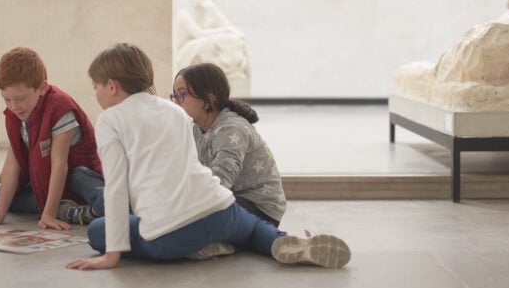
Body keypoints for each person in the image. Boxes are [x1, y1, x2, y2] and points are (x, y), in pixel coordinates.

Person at [65, 43, 350, 270]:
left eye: (96, 86)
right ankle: (284, 242)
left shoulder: (110, 120)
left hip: (173, 232)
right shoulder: (175, 111)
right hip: (220, 210)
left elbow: (115, 188)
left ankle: (197, 249)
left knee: (98, 231)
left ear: (112, 85)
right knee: (251, 229)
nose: (96, 93)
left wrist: (112, 255)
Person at [0, 47, 104, 231]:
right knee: (3, 198)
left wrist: (48, 215)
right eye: (7, 100)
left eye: (20, 98)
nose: (14, 106)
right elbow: (12, 165)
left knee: (85, 183)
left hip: (77, 180)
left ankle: (80, 208)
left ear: (42, 88)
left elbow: (60, 164)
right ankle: (69, 211)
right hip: (49, 187)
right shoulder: (16, 114)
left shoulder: (61, 108)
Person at [173, 63, 286, 226]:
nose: (177, 101)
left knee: (185, 217)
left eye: (182, 95)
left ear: (209, 99)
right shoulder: (196, 129)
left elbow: (221, 182)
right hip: (228, 199)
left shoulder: (231, 129)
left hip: (260, 210)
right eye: (174, 95)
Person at [175, 0, 250, 81]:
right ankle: (225, 67)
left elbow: (228, 28)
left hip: (198, 48)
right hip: (184, 52)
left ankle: (233, 68)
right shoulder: (184, 14)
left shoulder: (208, 15)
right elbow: (199, 34)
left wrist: (213, 9)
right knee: (207, 42)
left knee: (232, 40)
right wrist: (227, 30)